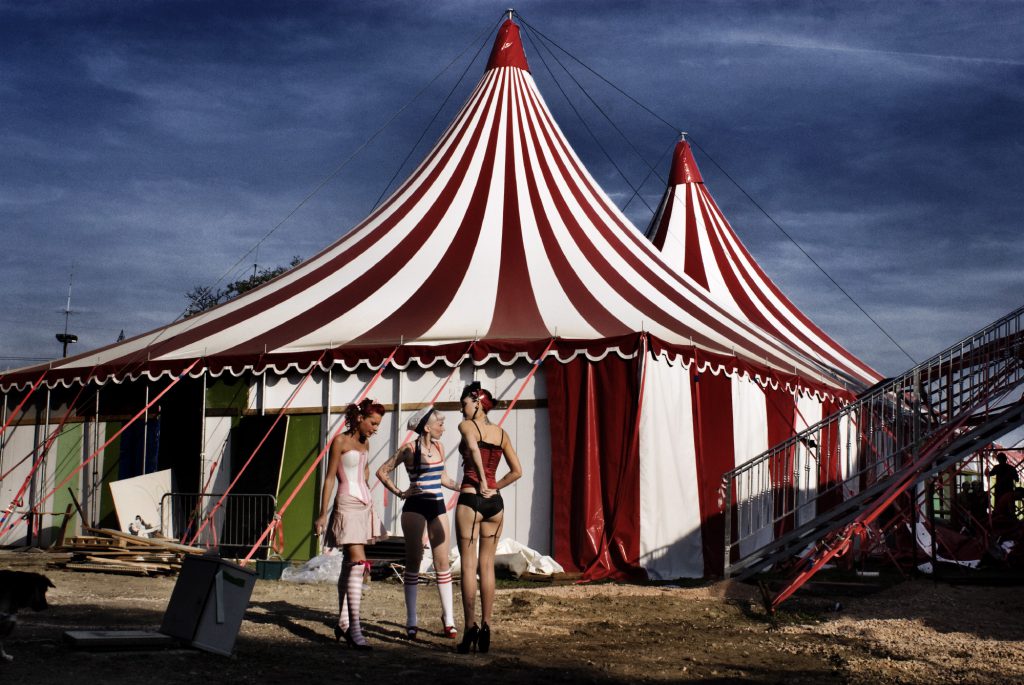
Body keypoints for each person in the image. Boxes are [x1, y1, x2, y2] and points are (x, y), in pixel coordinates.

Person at [376, 405, 460, 640]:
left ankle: (449, 619)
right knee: (414, 560)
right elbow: (382, 471)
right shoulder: (409, 449)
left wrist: (463, 488)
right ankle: (412, 619)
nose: (443, 428)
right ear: (427, 427)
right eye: (440, 424)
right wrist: (401, 492)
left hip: (437, 504)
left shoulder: (440, 447)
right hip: (415, 506)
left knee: (443, 561)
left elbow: (443, 478)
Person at [454, 381, 522, 654]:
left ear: (477, 402)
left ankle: (470, 627)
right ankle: (486, 625)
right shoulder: (502, 433)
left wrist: (482, 480)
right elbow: (517, 470)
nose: (462, 410)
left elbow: (472, 448)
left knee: (469, 567)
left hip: (471, 498)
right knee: (488, 566)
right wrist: (495, 486)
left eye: (464, 404)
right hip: (495, 505)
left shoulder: (468, 426)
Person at [314, 398, 386, 650]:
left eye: (378, 424)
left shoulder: (365, 443)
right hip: (347, 504)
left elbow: (363, 474)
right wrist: (323, 513)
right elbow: (330, 478)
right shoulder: (340, 441)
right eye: (373, 423)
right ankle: (355, 627)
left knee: (349, 563)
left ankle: (344, 622)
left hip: (364, 505)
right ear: (360, 418)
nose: (375, 428)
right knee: (358, 561)